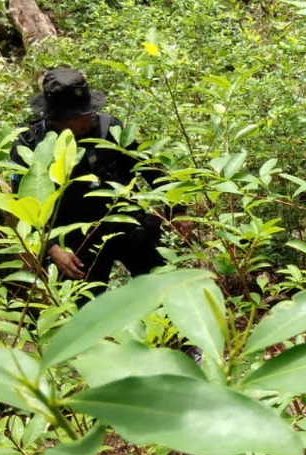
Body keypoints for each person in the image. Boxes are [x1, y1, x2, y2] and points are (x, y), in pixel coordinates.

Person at [10, 68, 186, 296]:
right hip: (75, 242)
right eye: (78, 115)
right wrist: (52, 249)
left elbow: (150, 168)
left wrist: (178, 210)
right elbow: (24, 205)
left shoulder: (109, 128)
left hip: (126, 224)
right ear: (56, 117)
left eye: (89, 110)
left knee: (164, 290)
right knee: (84, 306)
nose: (88, 118)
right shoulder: (30, 145)